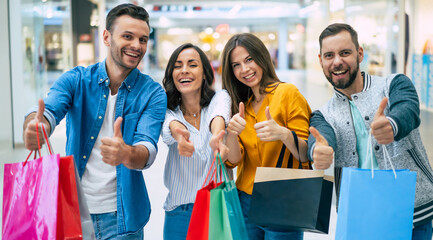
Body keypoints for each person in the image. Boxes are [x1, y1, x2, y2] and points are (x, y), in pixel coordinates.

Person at [22, 4, 167, 239]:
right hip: (74, 211)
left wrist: (126, 154)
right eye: (127, 36)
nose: (136, 46)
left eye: (143, 39)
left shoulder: (153, 93)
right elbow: (49, 110)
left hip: (123, 219)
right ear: (107, 37)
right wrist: (37, 126)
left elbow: (147, 149)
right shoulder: (77, 79)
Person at [308, 23, 433, 240]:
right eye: (329, 55)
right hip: (360, 213)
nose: (337, 61)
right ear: (321, 60)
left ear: (360, 53)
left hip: (411, 212)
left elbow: (408, 109)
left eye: (345, 53)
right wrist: (318, 150)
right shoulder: (323, 114)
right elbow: (321, 136)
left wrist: (392, 125)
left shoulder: (393, 84)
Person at [221, 33, 312, 240]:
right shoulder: (242, 104)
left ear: (262, 57)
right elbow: (234, 161)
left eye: (249, 59)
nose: (244, 70)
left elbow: (306, 154)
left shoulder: (287, 93)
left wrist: (282, 133)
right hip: (245, 199)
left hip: (282, 198)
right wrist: (231, 133)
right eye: (236, 65)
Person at [160, 43, 231, 239]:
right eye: (177, 65)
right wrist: (179, 133)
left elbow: (219, 114)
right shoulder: (167, 109)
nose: (184, 70)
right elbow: (170, 125)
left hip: (218, 208)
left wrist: (217, 137)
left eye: (192, 64)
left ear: (205, 73)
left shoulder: (220, 97)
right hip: (180, 212)